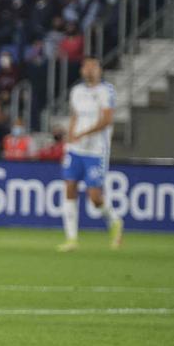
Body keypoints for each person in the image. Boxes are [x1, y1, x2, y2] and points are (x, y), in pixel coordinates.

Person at [58, 56, 122, 252]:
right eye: (86, 66)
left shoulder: (106, 91)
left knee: (94, 197)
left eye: (93, 66)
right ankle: (71, 239)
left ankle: (115, 221)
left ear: (100, 70)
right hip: (76, 150)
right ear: (81, 70)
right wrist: (69, 141)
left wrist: (83, 134)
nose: (90, 70)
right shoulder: (76, 91)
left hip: (96, 151)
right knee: (69, 188)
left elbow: (107, 120)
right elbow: (74, 117)